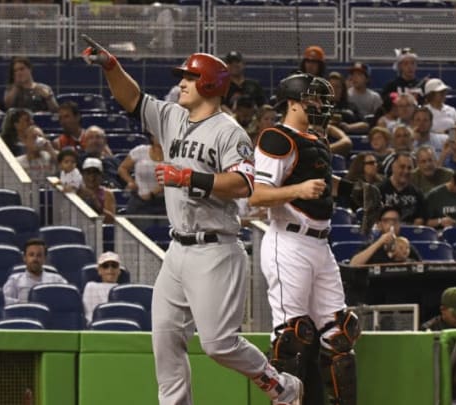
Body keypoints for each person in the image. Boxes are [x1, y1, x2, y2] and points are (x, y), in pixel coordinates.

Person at [82, 38, 304, 404]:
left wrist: (191, 179)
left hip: (215, 249)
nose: (182, 83)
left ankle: (281, 386)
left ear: (211, 84)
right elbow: (133, 99)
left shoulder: (227, 130)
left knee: (218, 344)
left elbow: (245, 183)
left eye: (189, 77)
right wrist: (110, 66)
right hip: (178, 249)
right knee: (165, 340)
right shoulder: (172, 116)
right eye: (183, 77)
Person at [249, 71, 359, 405]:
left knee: (341, 332)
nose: (321, 105)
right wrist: (298, 189)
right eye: (314, 99)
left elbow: (322, 180)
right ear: (294, 102)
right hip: (289, 241)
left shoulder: (316, 140)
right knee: (292, 337)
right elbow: (258, 195)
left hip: (320, 243)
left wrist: (354, 191)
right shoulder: (276, 138)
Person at [2, 238, 68, 304]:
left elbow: (68, 297)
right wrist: (25, 304)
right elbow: (3, 300)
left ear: (45, 258)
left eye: (39, 255)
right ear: (24, 257)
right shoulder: (14, 280)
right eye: (31, 255)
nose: (35, 259)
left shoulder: (57, 280)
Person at [350, 205, 422, 265]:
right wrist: (380, 242)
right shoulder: (370, 246)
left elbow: (421, 268)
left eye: (395, 220)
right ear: (379, 225)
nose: (391, 224)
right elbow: (353, 264)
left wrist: (404, 258)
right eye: (386, 220)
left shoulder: (407, 247)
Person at [117, 134, 166, 215]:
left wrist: (154, 193)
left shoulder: (173, 155)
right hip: (139, 200)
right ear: (152, 137)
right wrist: (130, 182)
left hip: (164, 202)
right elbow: (122, 168)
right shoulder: (140, 151)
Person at [378, 151, 426, 225]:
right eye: (402, 167)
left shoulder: (417, 193)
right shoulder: (379, 190)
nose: (406, 171)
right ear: (393, 167)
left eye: (409, 168)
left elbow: (419, 220)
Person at [82, 251, 123, 324]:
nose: (110, 269)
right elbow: (88, 315)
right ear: (99, 270)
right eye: (105, 266)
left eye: (114, 265)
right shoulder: (91, 287)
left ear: (119, 270)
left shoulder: (125, 290)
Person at [78, 157, 116, 224]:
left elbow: (110, 220)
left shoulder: (107, 193)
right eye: (88, 173)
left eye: (95, 173)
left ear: (101, 175)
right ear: (83, 174)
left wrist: (96, 203)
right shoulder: (77, 192)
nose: (92, 177)